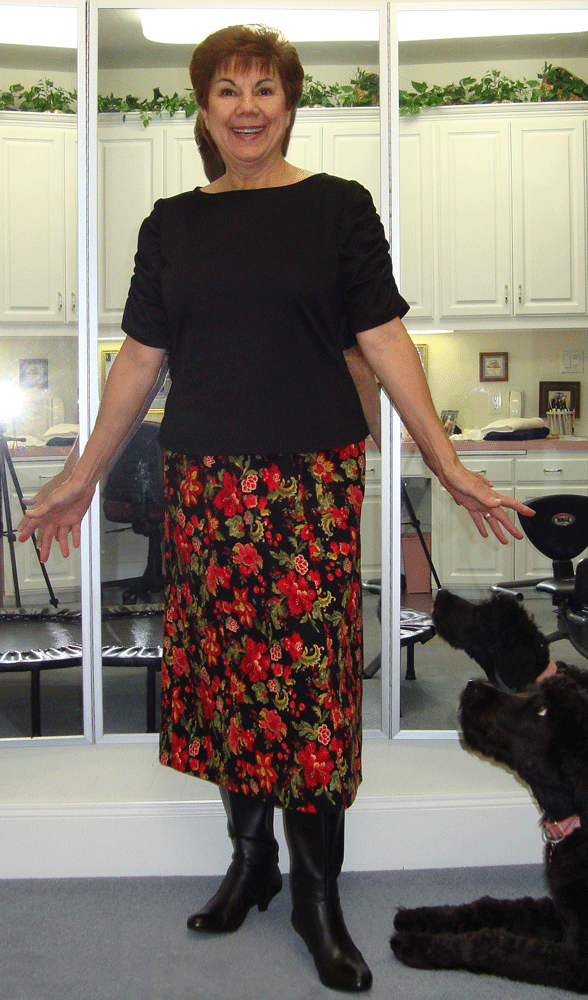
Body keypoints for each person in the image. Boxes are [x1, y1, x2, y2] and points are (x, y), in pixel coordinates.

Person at [18, 24, 534, 993]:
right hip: (207, 483)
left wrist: (450, 463)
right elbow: (140, 360)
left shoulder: (338, 208)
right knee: (225, 675)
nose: (247, 106)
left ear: (291, 105)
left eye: (264, 88)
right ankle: (251, 862)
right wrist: (83, 473)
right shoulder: (171, 225)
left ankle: (316, 896)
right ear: (204, 109)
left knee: (309, 686)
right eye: (228, 90)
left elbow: (385, 339)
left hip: (310, 480)